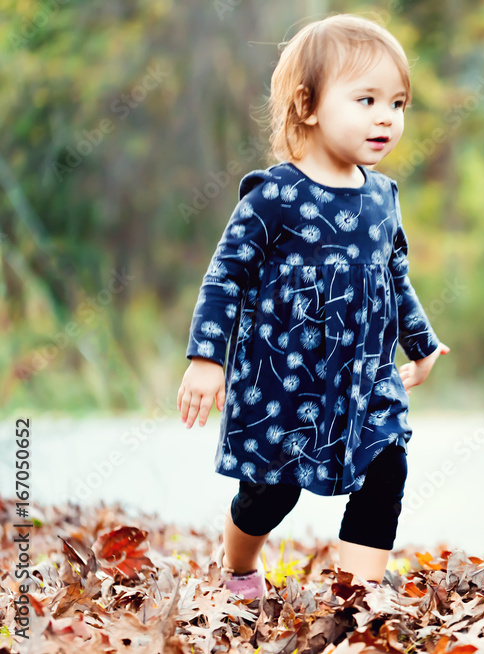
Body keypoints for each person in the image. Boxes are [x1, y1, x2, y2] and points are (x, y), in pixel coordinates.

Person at [175, 13, 449, 605]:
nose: (386, 117)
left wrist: (421, 342)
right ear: (308, 106)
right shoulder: (273, 196)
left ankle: (358, 599)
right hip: (283, 381)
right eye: (367, 99)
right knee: (270, 496)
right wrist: (206, 357)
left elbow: (393, 277)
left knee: (387, 468)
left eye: (398, 103)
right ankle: (239, 566)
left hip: (363, 381)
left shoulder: (383, 199)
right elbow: (225, 278)